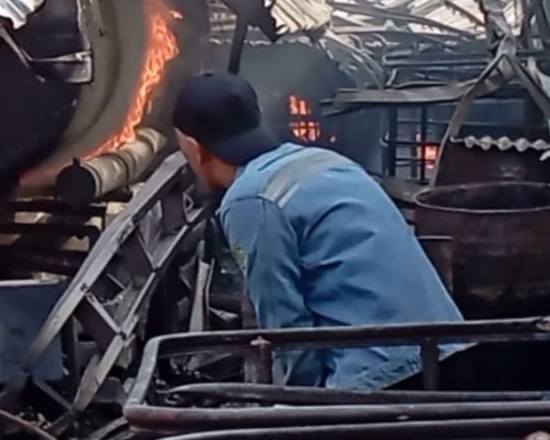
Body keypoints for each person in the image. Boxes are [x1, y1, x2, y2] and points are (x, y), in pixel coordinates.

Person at [171, 71, 466, 392]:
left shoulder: (250, 199)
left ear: (194, 148)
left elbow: (285, 324)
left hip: (384, 378)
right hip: (449, 350)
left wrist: (300, 407)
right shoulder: (328, 161)